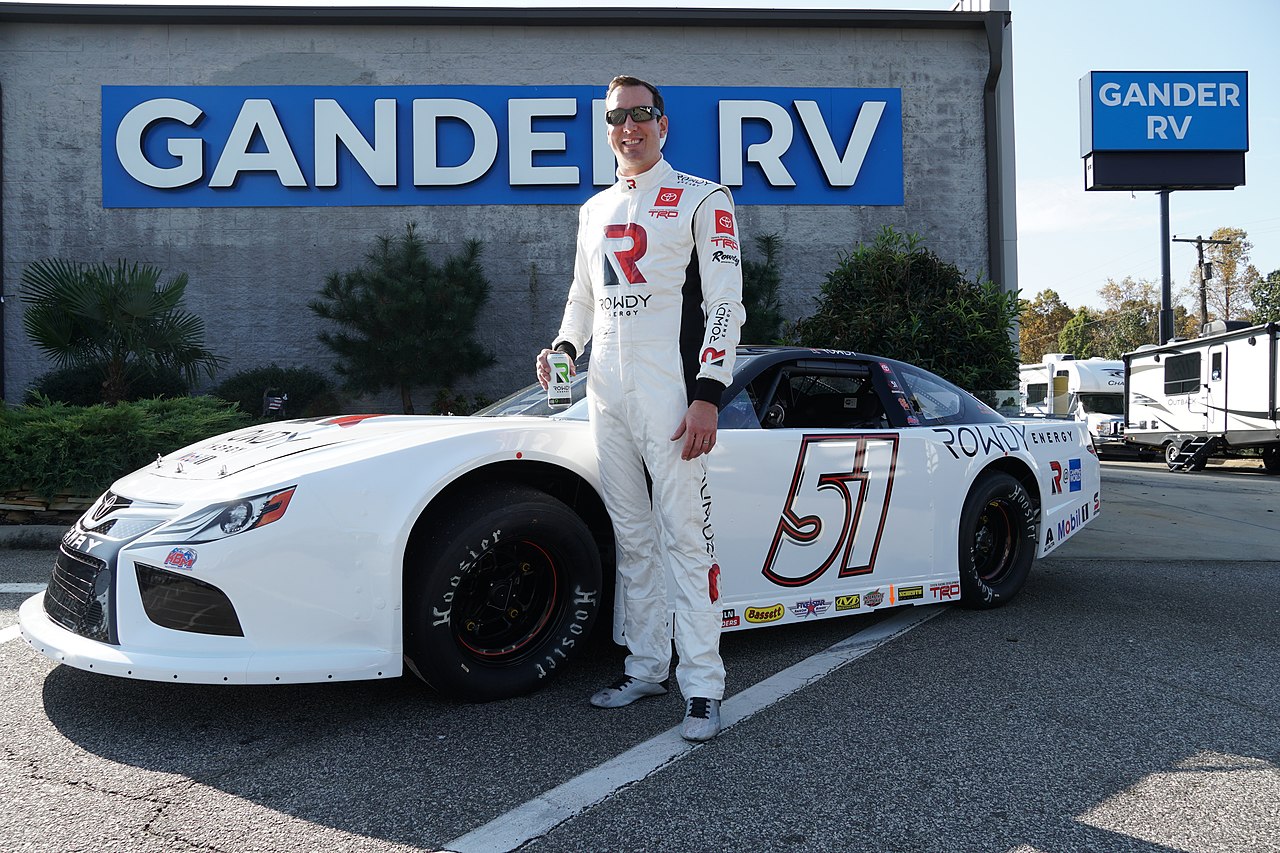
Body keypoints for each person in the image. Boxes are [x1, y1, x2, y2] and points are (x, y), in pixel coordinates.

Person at [536, 75, 744, 742]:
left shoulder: (702, 196)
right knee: (632, 533)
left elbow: (724, 305)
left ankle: (704, 685)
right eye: (617, 118)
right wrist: (565, 347)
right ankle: (648, 664)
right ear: (607, 129)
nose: (630, 127)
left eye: (642, 115)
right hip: (605, 390)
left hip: (670, 388)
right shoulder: (593, 210)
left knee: (685, 534)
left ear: (663, 124)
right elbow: (582, 297)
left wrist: (708, 392)